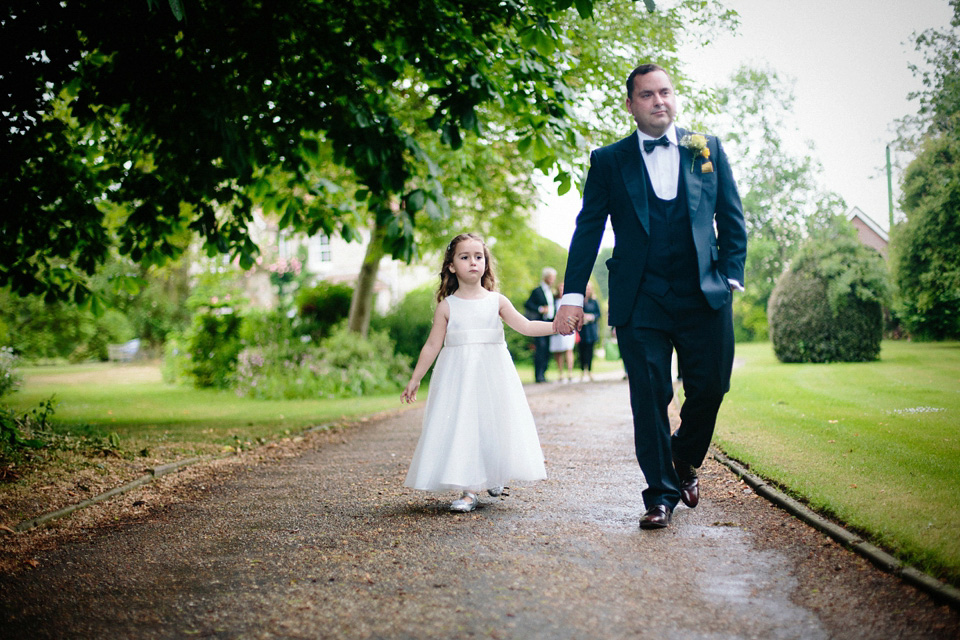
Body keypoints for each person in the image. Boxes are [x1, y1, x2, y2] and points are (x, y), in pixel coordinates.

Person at [554, 63, 747, 530]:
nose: (659, 101)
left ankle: (682, 459)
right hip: (641, 298)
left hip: (705, 293)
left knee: (711, 387)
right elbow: (588, 230)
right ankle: (660, 494)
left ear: (673, 97)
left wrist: (731, 277)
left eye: (665, 92)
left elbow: (732, 215)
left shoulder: (708, 149)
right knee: (649, 395)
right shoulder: (609, 160)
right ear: (630, 104)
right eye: (647, 95)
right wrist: (572, 295)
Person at [402, 233, 555, 513]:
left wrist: (556, 326)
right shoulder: (448, 306)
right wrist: (415, 378)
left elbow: (527, 326)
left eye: (478, 256)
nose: (473, 262)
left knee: (492, 421)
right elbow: (433, 344)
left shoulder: (496, 301)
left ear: (485, 263)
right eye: (464, 257)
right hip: (458, 375)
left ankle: (494, 474)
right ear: (451, 266)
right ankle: (470, 489)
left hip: (493, 372)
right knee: (464, 424)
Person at [524, 267, 556, 383]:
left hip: (549, 323)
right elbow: (527, 304)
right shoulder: (537, 291)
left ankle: (544, 373)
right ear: (546, 278)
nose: (553, 280)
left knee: (547, 349)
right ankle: (538, 375)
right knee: (540, 349)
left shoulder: (551, 292)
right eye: (551, 278)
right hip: (539, 323)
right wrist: (540, 309)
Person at [548, 282, 576, 383]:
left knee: (568, 349)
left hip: (568, 326)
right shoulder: (553, 301)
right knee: (558, 351)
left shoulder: (570, 302)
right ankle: (560, 372)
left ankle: (570, 372)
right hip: (556, 328)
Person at [577, 284, 601, 382]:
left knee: (590, 351)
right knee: (581, 351)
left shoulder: (594, 301)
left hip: (591, 330)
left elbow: (598, 314)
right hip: (581, 330)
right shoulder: (579, 301)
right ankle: (582, 371)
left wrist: (591, 317)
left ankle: (590, 370)